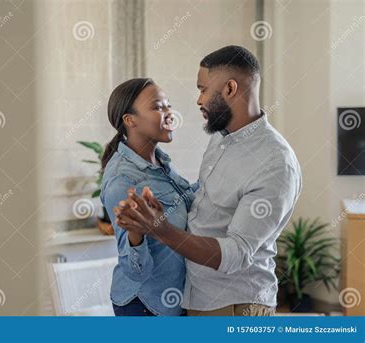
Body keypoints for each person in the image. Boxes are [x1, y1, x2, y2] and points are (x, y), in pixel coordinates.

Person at [114, 46, 302, 316]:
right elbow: (206, 206)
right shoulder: (221, 138)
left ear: (229, 89)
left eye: (203, 89)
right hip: (200, 300)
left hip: (235, 307)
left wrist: (160, 228)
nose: (198, 100)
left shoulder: (274, 162)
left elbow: (236, 253)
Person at [100, 78, 195, 316]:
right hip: (145, 306)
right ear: (130, 120)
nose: (169, 113)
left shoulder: (160, 162)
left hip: (175, 299)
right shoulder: (122, 180)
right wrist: (137, 232)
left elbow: (187, 202)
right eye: (158, 107)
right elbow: (136, 271)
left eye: (168, 106)